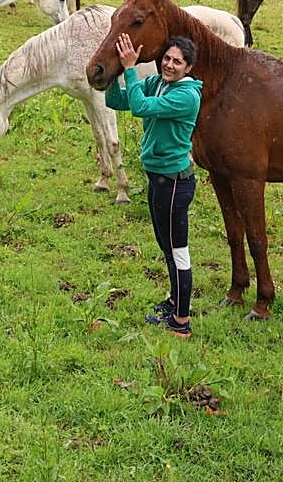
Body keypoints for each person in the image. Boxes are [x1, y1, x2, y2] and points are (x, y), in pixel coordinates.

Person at [104, 33, 202, 338]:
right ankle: (174, 302)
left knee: (178, 251)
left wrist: (131, 68)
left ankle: (181, 322)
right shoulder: (159, 83)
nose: (169, 65)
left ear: (188, 68)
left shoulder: (186, 95)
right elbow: (118, 100)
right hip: (157, 180)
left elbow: (141, 108)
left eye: (177, 62)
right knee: (167, 247)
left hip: (175, 184)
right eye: (167, 58)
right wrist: (112, 71)